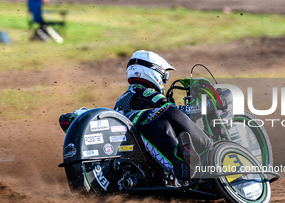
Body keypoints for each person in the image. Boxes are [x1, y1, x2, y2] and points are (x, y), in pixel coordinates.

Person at [60, 50, 223, 180]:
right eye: (165, 76)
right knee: (169, 112)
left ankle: (186, 163)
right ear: (154, 73)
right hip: (142, 140)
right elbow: (174, 111)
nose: (165, 81)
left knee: (163, 118)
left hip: (134, 154)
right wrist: (206, 106)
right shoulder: (142, 91)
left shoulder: (124, 98)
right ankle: (208, 149)